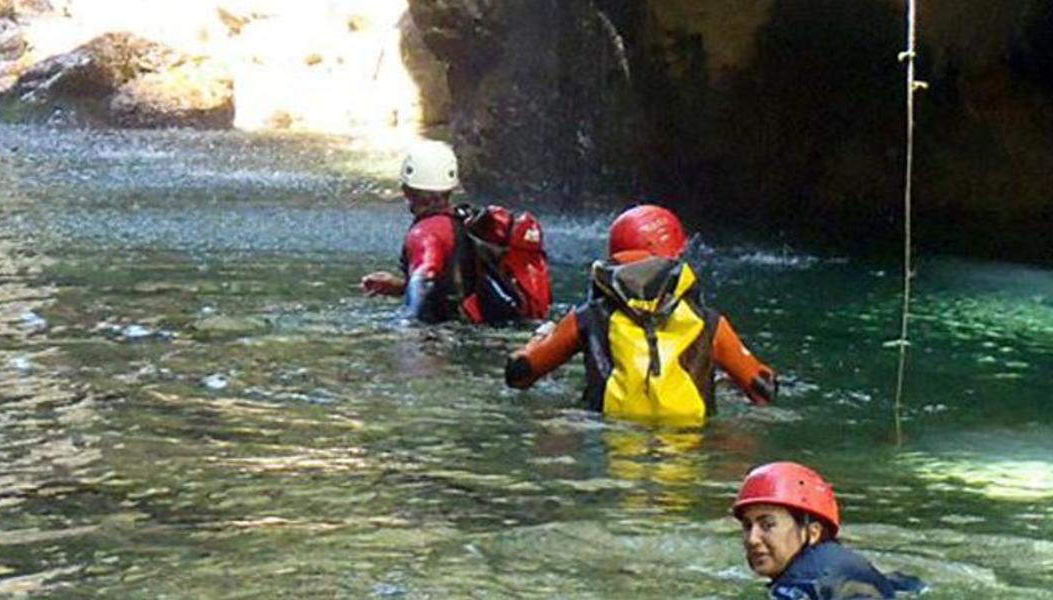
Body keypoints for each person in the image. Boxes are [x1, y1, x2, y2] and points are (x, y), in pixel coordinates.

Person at [503, 204, 775, 425]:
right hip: (688, 443)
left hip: (609, 436)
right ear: (675, 255)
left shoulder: (589, 316)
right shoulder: (708, 322)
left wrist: (535, 342)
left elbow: (520, 374)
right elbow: (762, 389)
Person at [361, 141, 550, 325]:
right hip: (482, 328)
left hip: (450, 336)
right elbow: (455, 285)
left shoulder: (425, 232)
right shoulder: (457, 222)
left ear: (406, 189)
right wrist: (401, 287)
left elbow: (425, 281)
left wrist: (409, 330)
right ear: (450, 188)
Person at [734, 461, 925, 599]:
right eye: (747, 526)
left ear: (813, 532)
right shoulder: (847, 567)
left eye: (767, 525)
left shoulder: (798, 587)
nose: (752, 539)